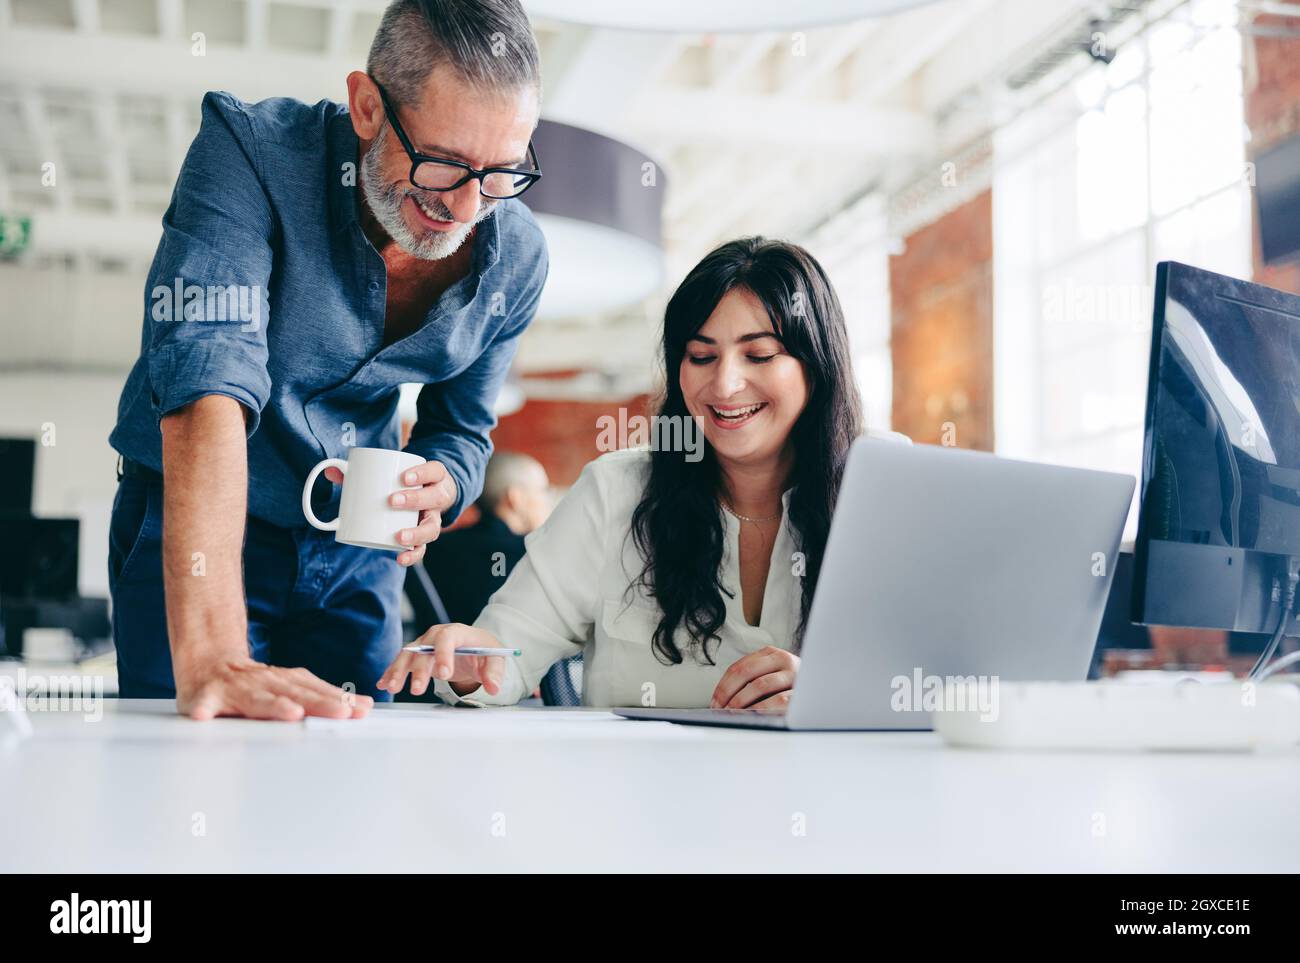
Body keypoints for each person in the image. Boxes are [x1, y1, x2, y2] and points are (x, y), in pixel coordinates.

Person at [106, 0, 548, 721]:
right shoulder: (250, 152)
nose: (469, 206)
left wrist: (447, 484)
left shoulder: (518, 255)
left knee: (350, 779)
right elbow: (205, 378)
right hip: (206, 529)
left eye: (502, 172)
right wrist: (215, 653)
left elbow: (463, 429)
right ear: (367, 106)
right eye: (443, 165)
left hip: (356, 549)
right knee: (189, 761)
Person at [379, 237, 864, 710]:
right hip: (636, 789)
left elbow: (933, 675)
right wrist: (467, 657)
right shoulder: (617, 490)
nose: (724, 383)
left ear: (816, 363)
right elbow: (507, 649)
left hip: (825, 789)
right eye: (700, 357)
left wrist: (838, 692)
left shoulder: (880, 492)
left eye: (759, 355)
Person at [421, 451, 552, 625]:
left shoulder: (435, 546)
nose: (547, 500)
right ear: (516, 497)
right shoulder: (531, 553)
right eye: (543, 490)